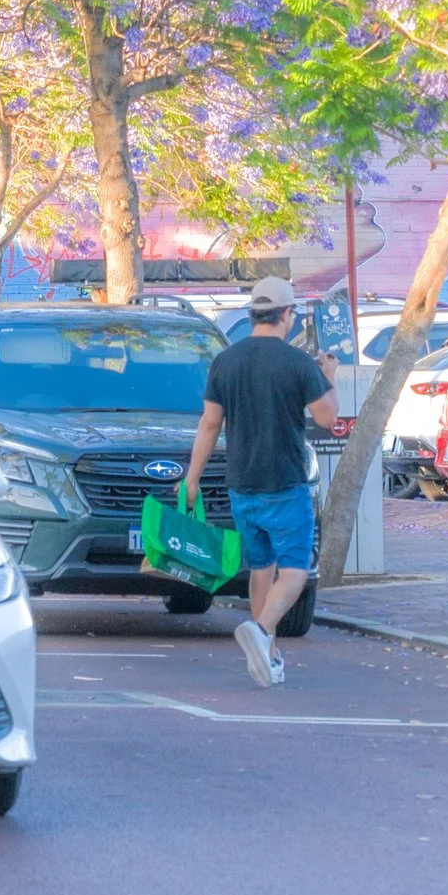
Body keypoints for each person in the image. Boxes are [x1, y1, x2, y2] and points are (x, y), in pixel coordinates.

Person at [182, 275, 337, 689]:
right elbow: (327, 417)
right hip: (284, 483)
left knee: (261, 567)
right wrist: (330, 377)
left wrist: (192, 479)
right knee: (295, 570)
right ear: (288, 315)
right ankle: (263, 629)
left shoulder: (225, 361)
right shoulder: (298, 363)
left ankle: (266, 659)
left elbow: (210, 423)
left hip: (241, 485)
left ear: (253, 314)